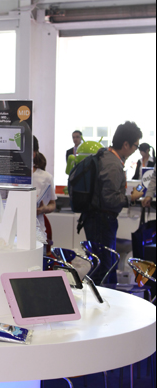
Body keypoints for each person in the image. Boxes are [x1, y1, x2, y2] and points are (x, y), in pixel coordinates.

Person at [80, 120, 142, 284]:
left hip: (97, 219)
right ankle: (103, 299)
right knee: (105, 269)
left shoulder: (105, 155)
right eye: (136, 146)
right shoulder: (113, 164)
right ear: (126, 144)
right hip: (102, 220)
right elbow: (110, 199)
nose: (135, 150)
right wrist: (131, 198)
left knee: (101, 266)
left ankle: (101, 298)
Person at [33, 151, 56, 250]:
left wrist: (44, 209)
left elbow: (52, 203)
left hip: (37, 230)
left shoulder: (45, 177)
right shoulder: (11, 174)